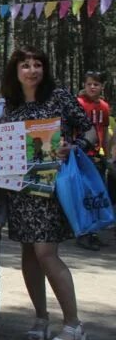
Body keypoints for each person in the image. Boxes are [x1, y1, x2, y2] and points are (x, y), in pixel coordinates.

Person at [0, 46, 94, 340]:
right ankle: (41, 318)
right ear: (16, 72)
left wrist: (74, 146)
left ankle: (73, 325)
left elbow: (91, 132)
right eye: (25, 65)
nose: (32, 70)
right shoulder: (10, 106)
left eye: (37, 64)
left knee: (46, 253)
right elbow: (4, 146)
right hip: (22, 192)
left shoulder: (60, 97)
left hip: (53, 190)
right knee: (29, 253)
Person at [76, 71, 110, 250]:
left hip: (97, 155)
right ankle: (83, 233)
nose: (92, 87)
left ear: (101, 87)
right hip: (81, 154)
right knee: (84, 195)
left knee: (97, 195)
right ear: (84, 84)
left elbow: (103, 132)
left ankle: (94, 232)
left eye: (96, 84)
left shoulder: (104, 106)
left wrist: (106, 153)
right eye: (89, 84)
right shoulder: (79, 103)